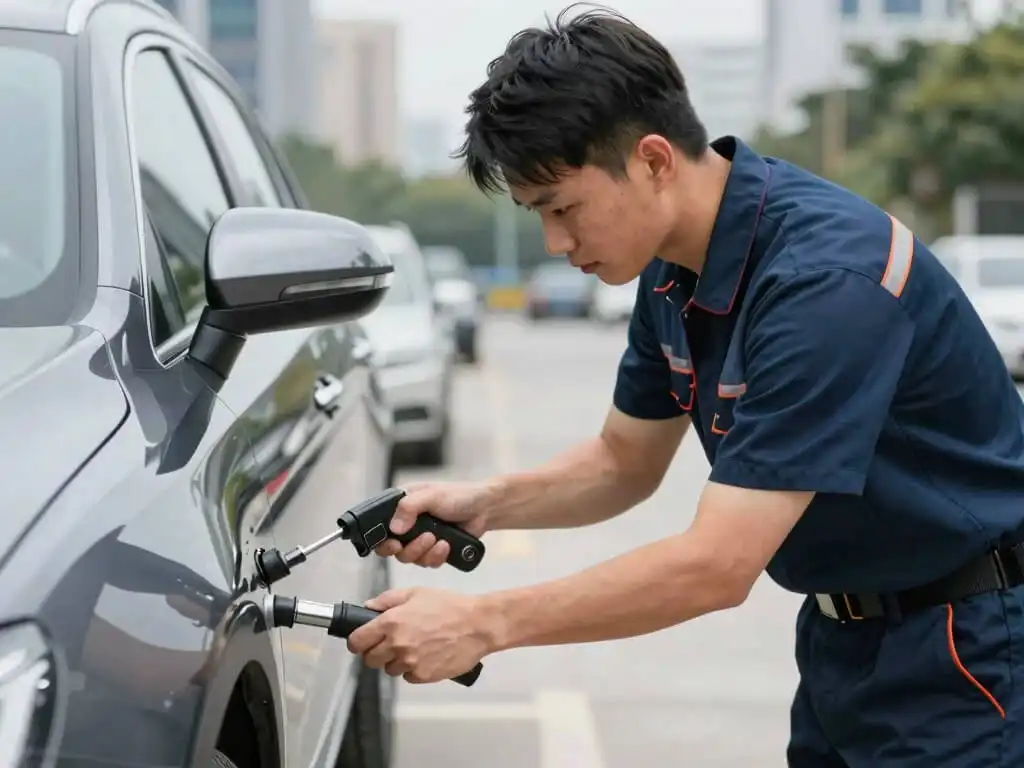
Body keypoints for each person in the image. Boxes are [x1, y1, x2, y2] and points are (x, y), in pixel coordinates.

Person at [346, 5, 1024, 765]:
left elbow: (714, 565)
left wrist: (485, 624)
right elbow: (621, 462)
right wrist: (487, 503)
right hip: (845, 639)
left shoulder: (825, 283)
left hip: (967, 645)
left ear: (655, 161)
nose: (556, 244)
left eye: (564, 208)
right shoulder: (671, 267)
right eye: (537, 215)